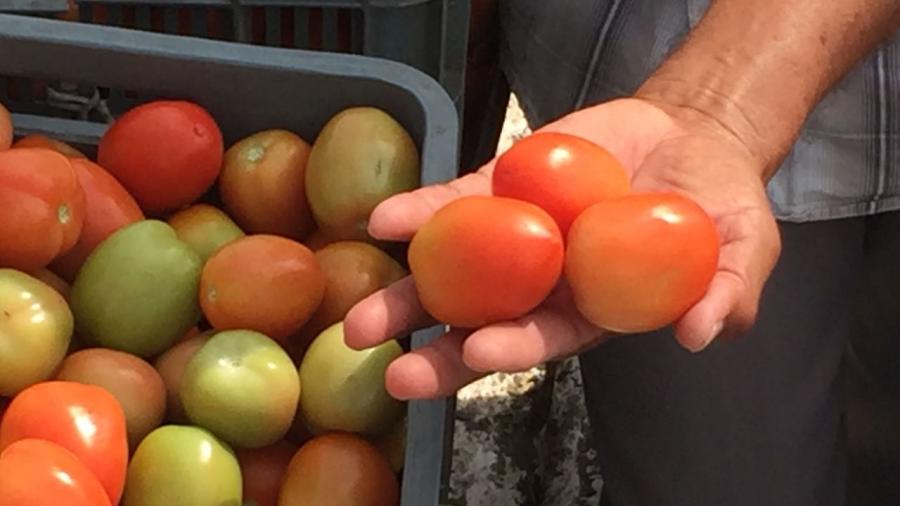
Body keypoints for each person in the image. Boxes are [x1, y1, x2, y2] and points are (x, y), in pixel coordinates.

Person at [345, 1, 900, 505]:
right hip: (656, 83)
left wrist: (717, 108)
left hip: (671, 110)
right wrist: (716, 110)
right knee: (726, 475)